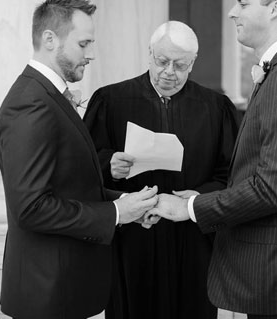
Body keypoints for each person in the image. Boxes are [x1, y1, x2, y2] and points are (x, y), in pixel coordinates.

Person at [151, 0, 277, 319]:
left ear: (275, 9)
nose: (231, 13)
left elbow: (272, 189)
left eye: (242, 2)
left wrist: (191, 209)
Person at [0, 0, 159, 319]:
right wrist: (113, 213)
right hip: (48, 294)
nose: (91, 54)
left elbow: (71, 186)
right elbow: (31, 208)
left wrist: (130, 206)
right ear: (50, 39)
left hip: (63, 289)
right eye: (84, 44)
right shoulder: (31, 103)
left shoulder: (47, 96)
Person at [83, 21, 238, 319]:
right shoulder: (111, 100)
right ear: (149, 53)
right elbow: (84, 165)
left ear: (193, 63)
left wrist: (199, 196)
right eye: (162, 61)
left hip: (192, 237)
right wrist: (110, 165)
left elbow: (230, 173)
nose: (169, 72)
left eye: (180, 65)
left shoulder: (215, 107)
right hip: (133, 236)